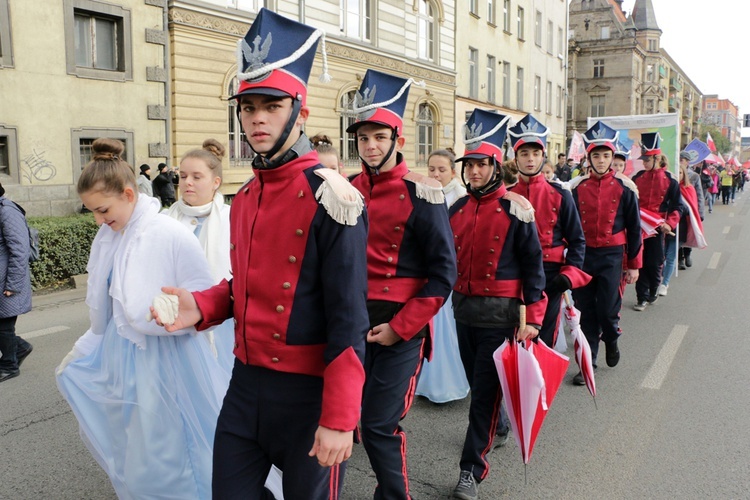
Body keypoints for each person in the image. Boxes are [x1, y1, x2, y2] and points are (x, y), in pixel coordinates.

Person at [149, 9, 370, 499]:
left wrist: (338, 416)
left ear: (301, 111)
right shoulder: (246, 196)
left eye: (271, 104)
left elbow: (349, 316)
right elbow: (245, 286)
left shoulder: (332, 197)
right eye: (248, 106)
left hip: (309, 394)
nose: (257, 117)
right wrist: (202, 306)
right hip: (245, 386)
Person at [55, 138, 227, 499]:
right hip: (126, 352)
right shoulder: (111, 236)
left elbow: (203, 295)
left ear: (129, 195)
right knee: (138, 442)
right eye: (94, 213)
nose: (99, 220)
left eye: (103, 210)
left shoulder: (169, 233)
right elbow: (109, 306)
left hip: (167, 355)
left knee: (175, 442)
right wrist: (84, 347)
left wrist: (170, 311)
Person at [347, 69, 456, 500]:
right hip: (350, 317)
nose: (370, 146)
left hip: (400, 326)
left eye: (379, 136)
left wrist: (401, 327)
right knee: (341, 417)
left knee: (378, 423)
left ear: (398, 140)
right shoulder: (344, 190)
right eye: (363, 138)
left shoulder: (423, 194)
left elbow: (443, 274)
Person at [449, 108, 546, 500]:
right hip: (462, 313)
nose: (473, 172)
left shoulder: (517, 210)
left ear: (495, 165)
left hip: (500, 317)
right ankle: (498, 424)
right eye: (468, 164)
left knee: (483, 397)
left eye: (480, 164)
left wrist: (534, 318)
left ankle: (471, 470)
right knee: (478, 389)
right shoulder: (455, 209)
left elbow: (533, 267)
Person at [507, 114, 589, 349]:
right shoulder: (506, 195)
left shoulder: (561, 194)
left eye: (535, 153)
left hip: (550, 275)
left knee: (543, 339)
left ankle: (543, 385)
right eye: (524, 154)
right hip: (512, 274)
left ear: (543, 156)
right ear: (516, 158)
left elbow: (577, 240)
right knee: (513, 338)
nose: (530, 159)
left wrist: (567, 276)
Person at [570, 121, 641, 384]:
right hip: (584, 256)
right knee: (584, 310)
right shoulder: (576, 190)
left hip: (612, 256)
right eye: (596, 155)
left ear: (613, 158)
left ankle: (611, 338)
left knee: (608, 311)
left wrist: (634, 264)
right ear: (588, 157)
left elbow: (634, 229)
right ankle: (588, 363)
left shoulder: (625, 189)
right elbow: (569, 227)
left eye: (606, 155)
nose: (601, 161)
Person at [416, 148, 469, 404]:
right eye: (432, 169)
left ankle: (448, 382)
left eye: (442, 169)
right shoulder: (425, 191)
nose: (436, 174)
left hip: (449, 271)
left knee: (446, 328)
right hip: (425, 268)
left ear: (453, 171)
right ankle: (426, 379)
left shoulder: (459, 198)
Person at [631, 132, 681, 311]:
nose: (643, 163)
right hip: (639, 227)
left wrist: (670, 223)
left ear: (656, 158)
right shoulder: (637, 178)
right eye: (643, 160)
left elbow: (677, 206)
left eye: (646, 160)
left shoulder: (670, 181)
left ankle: (654, 289)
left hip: (658, 228)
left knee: (655, 262)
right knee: (640, 261)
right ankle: (641, 297)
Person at [0, 183, 33, 383]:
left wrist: (12, 285)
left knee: (3, 326)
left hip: (6, 280)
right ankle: (20, 347)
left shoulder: (7, 211)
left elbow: (20, 252)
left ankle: (9, 366)